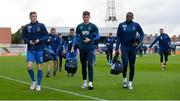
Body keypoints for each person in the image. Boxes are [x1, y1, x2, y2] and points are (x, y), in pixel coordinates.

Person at [115, 12, 144, 90]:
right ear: (126, 17)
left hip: (132, 49)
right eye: (127, 16)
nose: (128, 17)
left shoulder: (136, 25)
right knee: (125, 64)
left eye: (130, 16)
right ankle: (124, 79)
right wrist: (117, 47)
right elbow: (118, 37)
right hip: (124, 48)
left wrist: (137, 42)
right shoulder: (121, 25)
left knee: (132, 65)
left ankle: (130, 82)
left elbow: (142, 34)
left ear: (133, 17)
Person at [22, 11, 49, 91]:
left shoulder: (41, 25)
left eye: (35, 16)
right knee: (29, 67)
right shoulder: (27, 26)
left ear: (37, 17)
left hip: (39, 49)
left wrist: (39, 40)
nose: (34, 17)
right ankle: (33, 81)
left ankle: (39, 84)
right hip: (31, 49)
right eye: (32, 16)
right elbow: (23, 36)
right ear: (30, 17)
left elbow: (46, 35)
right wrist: (28, 41)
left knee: (39, 68)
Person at [76, 11, 100, 90]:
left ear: (89, 17)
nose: (85, 18)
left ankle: (90, 82)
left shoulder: (93, 26)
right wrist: (75, 45)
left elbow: (98, 36)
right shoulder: (79, 26)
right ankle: (84, 82)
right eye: (84, 17)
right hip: (82, 49)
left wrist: (90, 39)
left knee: (90, 65)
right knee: (83, 66)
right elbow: (76, 37)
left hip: (90, 48)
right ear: (82, 17)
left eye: (86, 17)